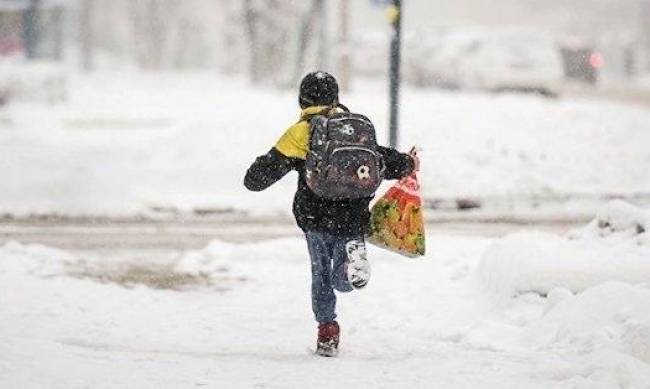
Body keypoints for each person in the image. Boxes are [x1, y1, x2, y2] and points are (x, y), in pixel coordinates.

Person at [244, 71, 418, 356]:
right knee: (342, 278)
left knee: (321, 276)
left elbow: (257, 179)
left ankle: (327, 332)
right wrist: (408, 163)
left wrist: (261, 168)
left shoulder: (301, 132)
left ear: (302, 99)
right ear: (336, 98)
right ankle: (352, 268)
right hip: (354, 216)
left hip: (316, 217)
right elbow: (382, 158)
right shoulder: (356, 127)